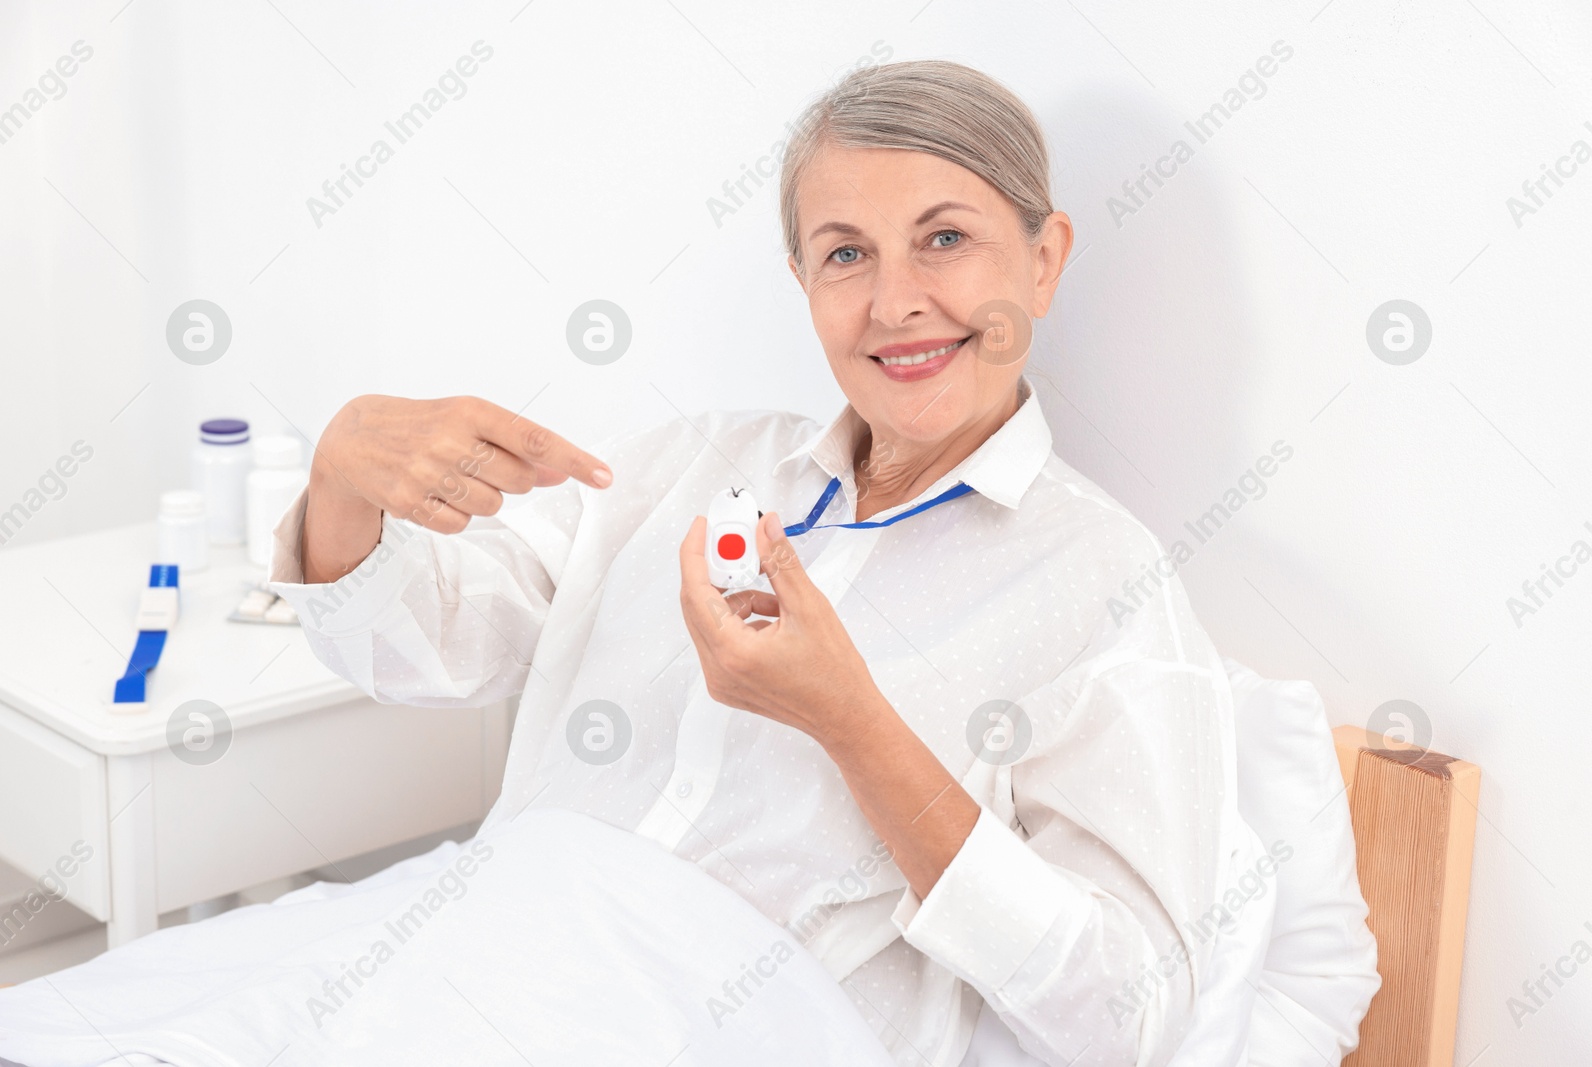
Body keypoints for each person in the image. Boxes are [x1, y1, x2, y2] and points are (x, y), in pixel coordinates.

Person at [271, 59, 1254, 1066]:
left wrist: (852, 721)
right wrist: (346, 477)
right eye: (844, 255)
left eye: (945, 239)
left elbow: (1125, 1018)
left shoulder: (1101, 585)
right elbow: (414, 650)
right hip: (469, 984)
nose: (894, 301)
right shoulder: (694, 468)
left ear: (1043, 260)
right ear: (804, 281)